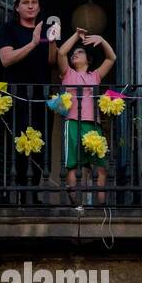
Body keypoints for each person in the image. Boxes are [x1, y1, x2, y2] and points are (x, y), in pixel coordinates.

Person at [0, 0, 56, 202]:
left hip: (41, 99)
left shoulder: (44, 31)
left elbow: (52, 63)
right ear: (17, 8)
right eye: (25, 2)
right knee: (19, 148)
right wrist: (32, 43)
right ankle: (19, 196)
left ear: (39, 8)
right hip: (18, 98)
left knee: (41, 147)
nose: (30, 6)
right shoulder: (8, 29)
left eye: (34, 3)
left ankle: (32, 195)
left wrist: (52, 42)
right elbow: (6, 59)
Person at [57, 28, 116, 205]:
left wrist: (102, 40)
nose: (75, 54)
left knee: (100, 166)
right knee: (74, 165)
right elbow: (61, 52)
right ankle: (77, 204)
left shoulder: (95, 76)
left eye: (80, 52)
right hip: (73, 122)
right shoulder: (67, 74)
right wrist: (75, 35)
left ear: (88, 60)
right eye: (74, 53)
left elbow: (111, 58)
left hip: (93, 124)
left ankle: (101, 206)